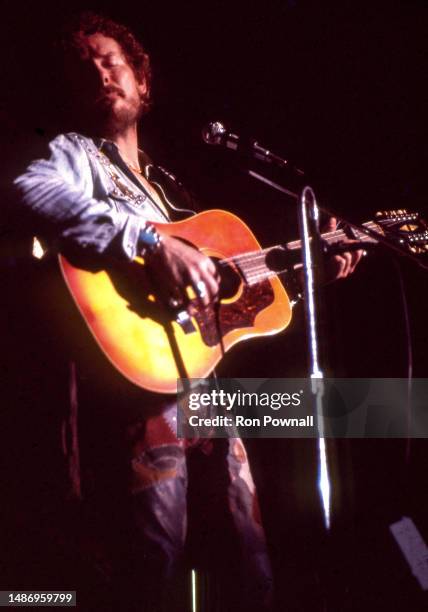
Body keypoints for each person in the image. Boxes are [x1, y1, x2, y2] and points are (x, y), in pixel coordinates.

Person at [6, 11, 362, 612]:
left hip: (210, 394)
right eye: (84, 66)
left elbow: (227, 303)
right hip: (136, 395)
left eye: (109, 59)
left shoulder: (169, 190)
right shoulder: (73, 153)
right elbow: (31, 191)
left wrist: (310, 266)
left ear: (142, 82)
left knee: (250, 566)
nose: (99, 71)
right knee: (151, 565)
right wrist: (148, 244)